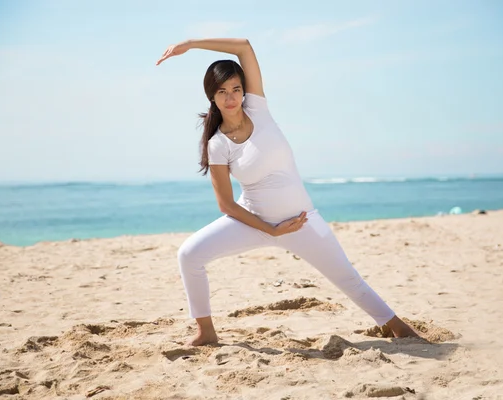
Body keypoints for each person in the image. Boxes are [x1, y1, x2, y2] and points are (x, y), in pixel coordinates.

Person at [156, 38, 418, 346]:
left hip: (301, 221)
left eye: (236, 89)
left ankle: (399, 328)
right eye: (222, 91)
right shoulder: (218, 144)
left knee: (348, 279)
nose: (231, 97)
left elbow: (244, 47)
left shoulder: (258, 107)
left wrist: (191, 44)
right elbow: (226, 204)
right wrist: (270, 229)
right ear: (211, 96)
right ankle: (206, 332)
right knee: (189, 254)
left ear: (244, 90)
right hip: (254, 222)